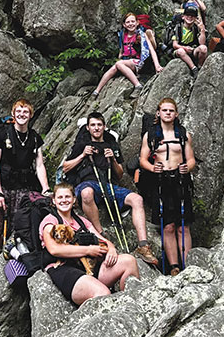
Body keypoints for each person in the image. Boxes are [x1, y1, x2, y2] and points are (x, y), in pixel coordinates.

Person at [62, 112, 158, 265]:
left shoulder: (111, 144)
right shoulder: (81, 145)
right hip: (87, 183)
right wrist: (82, 155)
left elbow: (119, 174)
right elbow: (65, 168)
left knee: (137, 199)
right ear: (87, 127)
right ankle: (101, 239)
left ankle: (143, 245)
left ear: (104, 127)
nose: (96, 128)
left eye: (99, 125)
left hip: (108, 185)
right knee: (86, 193)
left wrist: (112, 158)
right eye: (93, 125)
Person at [40, 183, 140, 305]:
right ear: (54, 201)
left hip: (89, 266)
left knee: (129, 261)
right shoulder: (50, 221)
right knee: (102, 293)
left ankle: (132, 306)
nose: (64, 200)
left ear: (74, 199)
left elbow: (102, 240)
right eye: (60, 197)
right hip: (63, 268)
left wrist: (112, 248)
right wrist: (88, 250)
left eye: (67, 197)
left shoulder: (82, 222)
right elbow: (54, 249)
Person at [139, 98, 197, 275]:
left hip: (180, 180)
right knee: (168, 226)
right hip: (161, 182)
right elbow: (142, 159)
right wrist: (152, 167)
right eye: (164, 110)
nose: (168, 113)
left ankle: (188, 264)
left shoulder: (183, 134)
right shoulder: (151, 135)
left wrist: (189, 167)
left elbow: (191, 158)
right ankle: (174, 267)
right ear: (158, 113)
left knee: (183, 225)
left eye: (171, 111)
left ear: (176, 114)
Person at [0, 99, 49, 257]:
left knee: (18, 228)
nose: (22, 115)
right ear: (13, 114)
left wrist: (46, 188)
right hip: (2, 185)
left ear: (30, 115)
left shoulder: (34, 138)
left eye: (26, 112)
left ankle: (11, 258)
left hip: (23, 188)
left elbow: (40, 165)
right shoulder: (2, 134)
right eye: (19, 111)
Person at [94, 12, 162, 96]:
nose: (131, 24)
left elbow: (151, 50)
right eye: (128, 22)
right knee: (114, 67)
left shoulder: (142, 35)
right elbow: (121, 51)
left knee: (118, 64)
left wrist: (157, 66)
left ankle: (138, 85)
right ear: (124, 25)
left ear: (137, 23)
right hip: (127, 62)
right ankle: (96, 91)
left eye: (133, 21)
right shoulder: (123, 35)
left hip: (140, 63)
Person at [171, 1, 208, 74]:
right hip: (181, 50)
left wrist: (202, 30)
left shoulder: (196, 28)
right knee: (181, 51)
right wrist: (185, 48)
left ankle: (200, 66)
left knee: (203, 48)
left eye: (192, 16)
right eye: (187, 15)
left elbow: (202, 43)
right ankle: (194, 68)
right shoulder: (177, 27)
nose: (190, 17)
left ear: (195, 18)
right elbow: (175, 45)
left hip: (193, 50)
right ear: (183, 16)